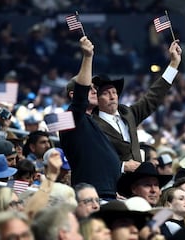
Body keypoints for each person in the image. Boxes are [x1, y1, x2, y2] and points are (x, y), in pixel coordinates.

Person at [92, 40, 182, 164]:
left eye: (114, 92)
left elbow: (154, 96)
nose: (112, 97)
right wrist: (122, 166)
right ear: (97, 99)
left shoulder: (128, 114)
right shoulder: (92, 124)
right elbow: (96, 157)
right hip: (113, 180)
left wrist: (173, 64)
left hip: (137, 179)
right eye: (106, 94)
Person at [59, 36, 121, 200]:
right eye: (90, 88)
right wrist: (88, 57)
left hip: (108, 193)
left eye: (95, 89)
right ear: (73, 94)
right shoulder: (69, 118)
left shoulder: (92, 121)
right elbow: (80, 95)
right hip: (91, 195)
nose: (95, 91)